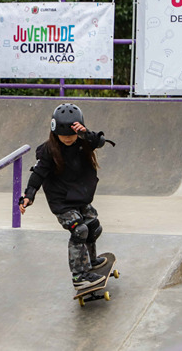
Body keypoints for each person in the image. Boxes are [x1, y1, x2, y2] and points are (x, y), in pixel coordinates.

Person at [19, 103, 115, 290]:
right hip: (61, 201)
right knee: (79, 230)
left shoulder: (84, 141)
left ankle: (91, 262)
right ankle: (79, 275)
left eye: (71, 135)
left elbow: (100, 141)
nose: (68, 139)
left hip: (79, 196)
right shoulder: (48, 150)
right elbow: (38, 173)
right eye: (64, 136)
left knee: (93, 226)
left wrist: (85, 133)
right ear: (55, 133)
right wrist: (29, 195)